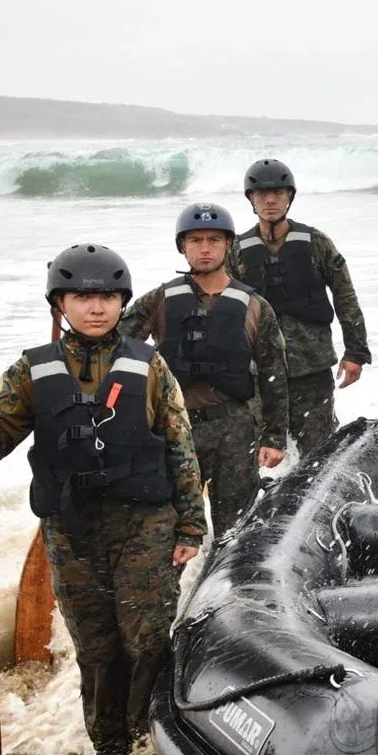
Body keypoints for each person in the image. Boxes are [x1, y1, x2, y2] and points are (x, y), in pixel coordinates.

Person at [0, 245, 206, 755]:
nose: (96, 307)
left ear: (122, 301)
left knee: (147, 639)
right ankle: (110, 751)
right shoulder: (30, 370)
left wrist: (191, 526)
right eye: (82, 296)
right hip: (70, 530)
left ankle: (150, 746)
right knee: (96, 648)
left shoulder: (149, 365)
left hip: (144, 527)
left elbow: (181, 447)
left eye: (107, 297)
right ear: (60, 303)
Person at [121, 203, 290, 534]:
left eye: (214, 240)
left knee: (235, 528)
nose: (205, 248)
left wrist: (274, 437)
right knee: (167, 528)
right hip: (174, 428)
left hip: (234, 430)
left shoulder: (256, 306)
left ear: (228, 245)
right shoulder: (159, 300)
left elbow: (274, 376)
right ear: (182, 246)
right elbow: (117, 350)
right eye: (195, 240)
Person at [229, 159, 370, 455]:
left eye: (278, 193)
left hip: (312, 368)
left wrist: (356, 353)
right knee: (259, 453)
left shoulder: (316, 243)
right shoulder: (236, 251)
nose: (270, 200)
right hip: (258, 374)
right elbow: (222, 312)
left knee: (319, 453)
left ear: (289, 197)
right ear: (251, 199)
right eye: (262, 193)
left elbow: (345, 296)